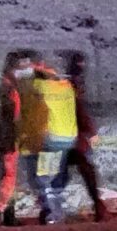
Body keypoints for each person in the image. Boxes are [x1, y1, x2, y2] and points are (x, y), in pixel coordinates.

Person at [26, 52, 94, 222]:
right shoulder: (65, 86)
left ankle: (54, 214)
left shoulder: (38, 87)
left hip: (50, 139)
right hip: (67, 138)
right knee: (56, 176)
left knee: (44, 178)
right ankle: (53, 210)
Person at [56, 50, 106, 220]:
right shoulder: (72, 86)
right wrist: (89, 130)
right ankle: (98, 206)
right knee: (85, 171)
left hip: (62, 137)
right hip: (72, 138)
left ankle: (50, 209)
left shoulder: (65, 85)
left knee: (63, 174)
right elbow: (79, 110)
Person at [0, 51, 29, 222]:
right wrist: (12, 140)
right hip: (3, 141)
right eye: (23, 66)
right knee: (7, 178)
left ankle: (7, 213)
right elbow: (8, 118)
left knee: (1, 178)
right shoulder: (6, 89)